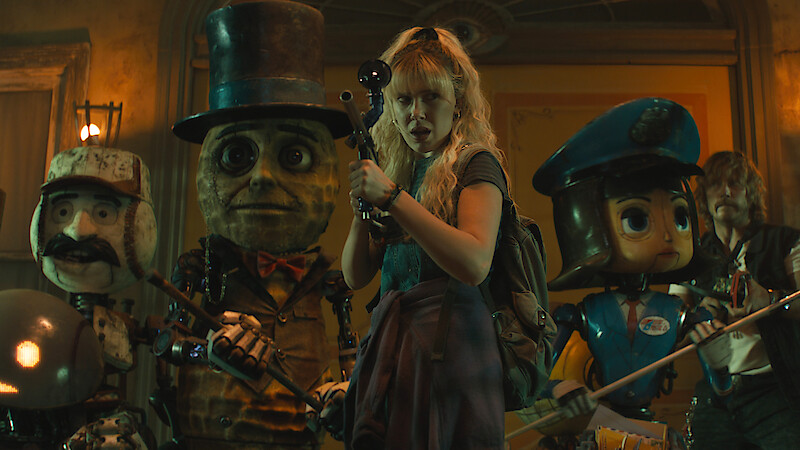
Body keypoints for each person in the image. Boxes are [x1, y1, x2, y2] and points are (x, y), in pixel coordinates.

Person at [166, 1, 352, 448]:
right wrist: (209, 348)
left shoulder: (330, 278)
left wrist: (344, 391)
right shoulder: (201, 267)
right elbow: (163, 340)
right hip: (210, 433)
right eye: (237, 156)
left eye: (294, 156)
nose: (262, 177)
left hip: (296, 436)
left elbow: (349, 350)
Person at [339, 26, 510, 449]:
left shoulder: (475, 163)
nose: (416, 113)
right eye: (403, 100)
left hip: (455, 358)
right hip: (397, 353)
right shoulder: (398, 169)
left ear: (458, 102)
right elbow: (355, 276)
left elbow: (474, 263)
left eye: (431, 97)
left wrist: (391, 198)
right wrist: (363, 211)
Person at [526, 97, 711, 449]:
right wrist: (559, 388)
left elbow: (722, 386)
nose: (668, 236)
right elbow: (536, 378)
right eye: (637, 219)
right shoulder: (582, 314)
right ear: (589, 226)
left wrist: (713, 350)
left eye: (680, 217)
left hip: (651, 433)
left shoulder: (681, 313)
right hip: (603, 429)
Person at [669, 150, 800, 449]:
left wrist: (770, 300)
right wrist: (696, 319)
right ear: (704, 195)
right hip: (716, 394)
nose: (725, 191)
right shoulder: (690, 255)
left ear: (751, 192)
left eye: (735, 183)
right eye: (716, 184)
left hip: (776, 391)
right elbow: (669, 329)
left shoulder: (785, 241)